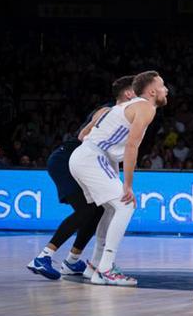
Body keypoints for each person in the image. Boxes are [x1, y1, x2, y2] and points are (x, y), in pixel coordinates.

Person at [26, 76, 134, 280]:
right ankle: (43, 257)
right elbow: (83, 136)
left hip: (79, 161)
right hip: (67, 158)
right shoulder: (109, 110)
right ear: (128, 93)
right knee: (87, 210)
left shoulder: (125, 116)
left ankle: (72, 261)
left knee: (98, 211)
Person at [69, 70, 168, 286]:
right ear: (152, 91)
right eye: (162, 86)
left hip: (87, 155)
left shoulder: (124, 107)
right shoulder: (145, 107)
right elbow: (132, 146)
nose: (166, 89)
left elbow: (85, 135)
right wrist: (128, 185)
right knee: (126, 205)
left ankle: (96, 265)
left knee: (112, 208)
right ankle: (106, 268)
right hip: (92, 157)